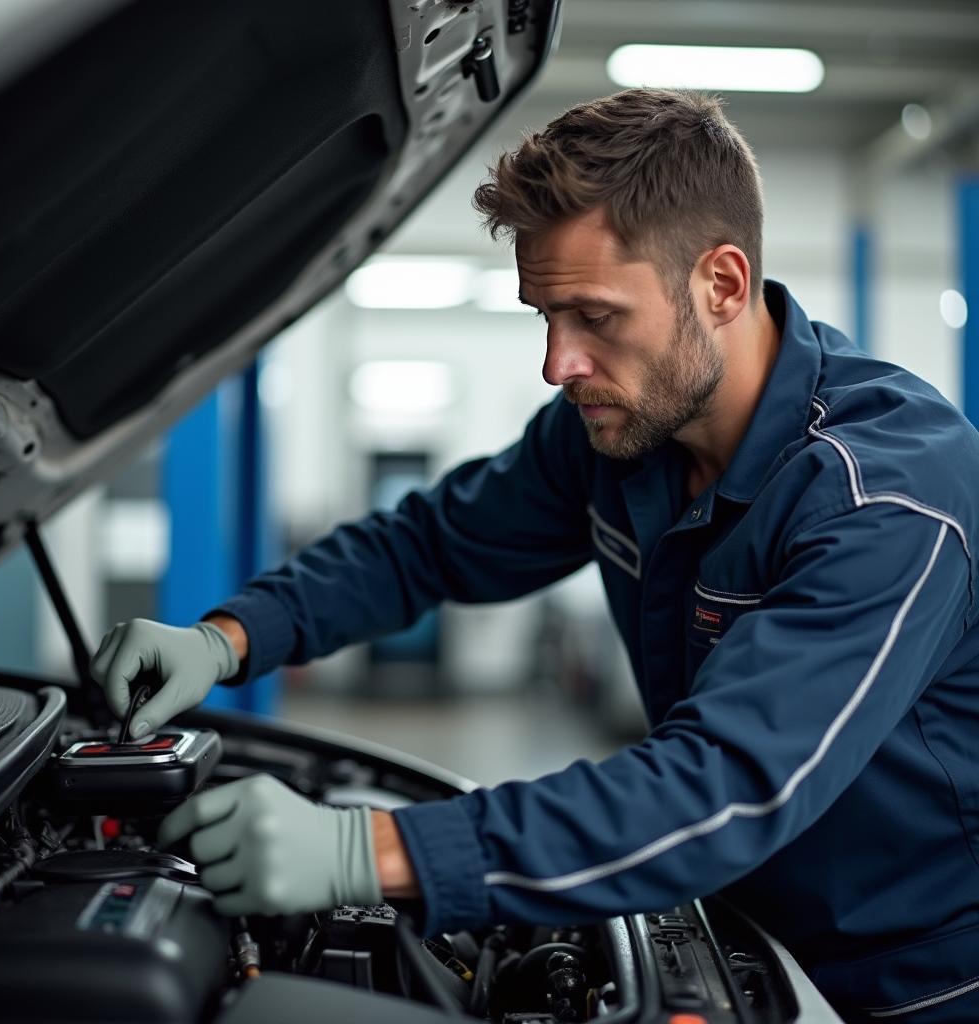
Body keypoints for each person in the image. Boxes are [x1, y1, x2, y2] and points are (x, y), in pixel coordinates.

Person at [90, 89, 979, 1022]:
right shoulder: (620, 432)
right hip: (748, 926)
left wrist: (370, 853)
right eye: (544, 316)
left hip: (920, 981)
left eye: (596, 315)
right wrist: (226, 639)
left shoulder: (884, 496)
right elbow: (424, 545)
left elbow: (726, 784)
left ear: (721, 283)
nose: (559, 364)